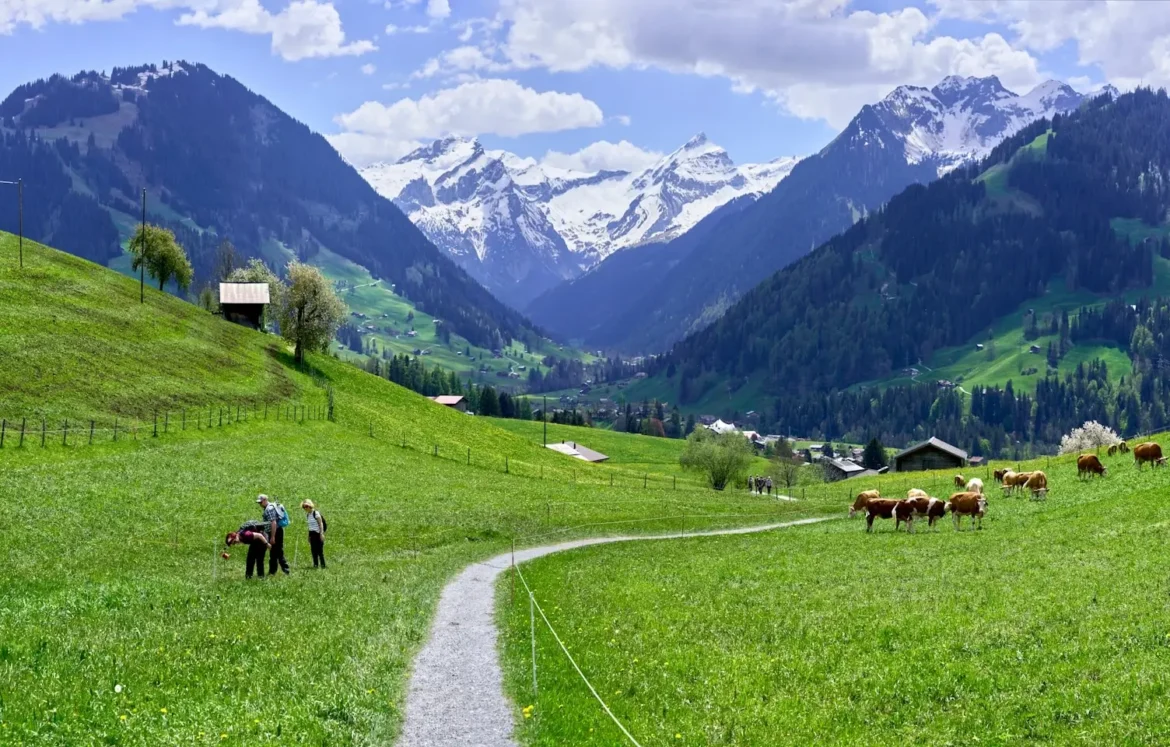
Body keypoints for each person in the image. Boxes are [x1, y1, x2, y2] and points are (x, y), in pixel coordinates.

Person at [258, 494, 290, 575]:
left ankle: (285, 569)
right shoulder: (270, 507)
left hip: (275, 532)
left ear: (265, 500)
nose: (260, 504)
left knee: (278, 551)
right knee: (274, 552)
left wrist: (272, 537)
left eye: (261, 502)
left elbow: (273, 522)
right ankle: (273, 571)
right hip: (276, 531)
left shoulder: (269, 509)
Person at [302, 500, 327, 569]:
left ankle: (323, 566)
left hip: (318, 534)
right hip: (312, 534)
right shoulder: (308, 515)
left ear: (310, 506)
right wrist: (308, 536)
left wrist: (321, 534)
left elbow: (320, 523)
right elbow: (310, 526)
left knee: (320, 551)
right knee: (313, 551)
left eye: (306, 506)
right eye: (304, 507)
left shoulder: (316, 513)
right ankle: (315, 565)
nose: (305, 508)